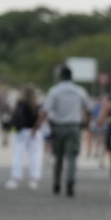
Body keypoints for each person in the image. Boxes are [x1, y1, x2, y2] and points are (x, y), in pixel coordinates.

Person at [41, 65, 89, 197]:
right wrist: (86, 123)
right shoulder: (79, 91)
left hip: (58, 126)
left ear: (60, 77)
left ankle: (57, 182)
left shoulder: (54, 91)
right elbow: (88, 108)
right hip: (74, 126)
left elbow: (45, 110)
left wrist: (38, 125)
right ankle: (70, 182)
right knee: (72, 157)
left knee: (58, 157)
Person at [6, 85, 44, 190]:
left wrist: (13, 129)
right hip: (34, 132)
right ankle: (34, 178)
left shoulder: (20, 104)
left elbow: (15, 118)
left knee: (18, 155)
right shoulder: (36, 105)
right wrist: (35, 129)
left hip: (21, 132)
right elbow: (40, 118)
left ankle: (15, 177)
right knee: (35, 156)